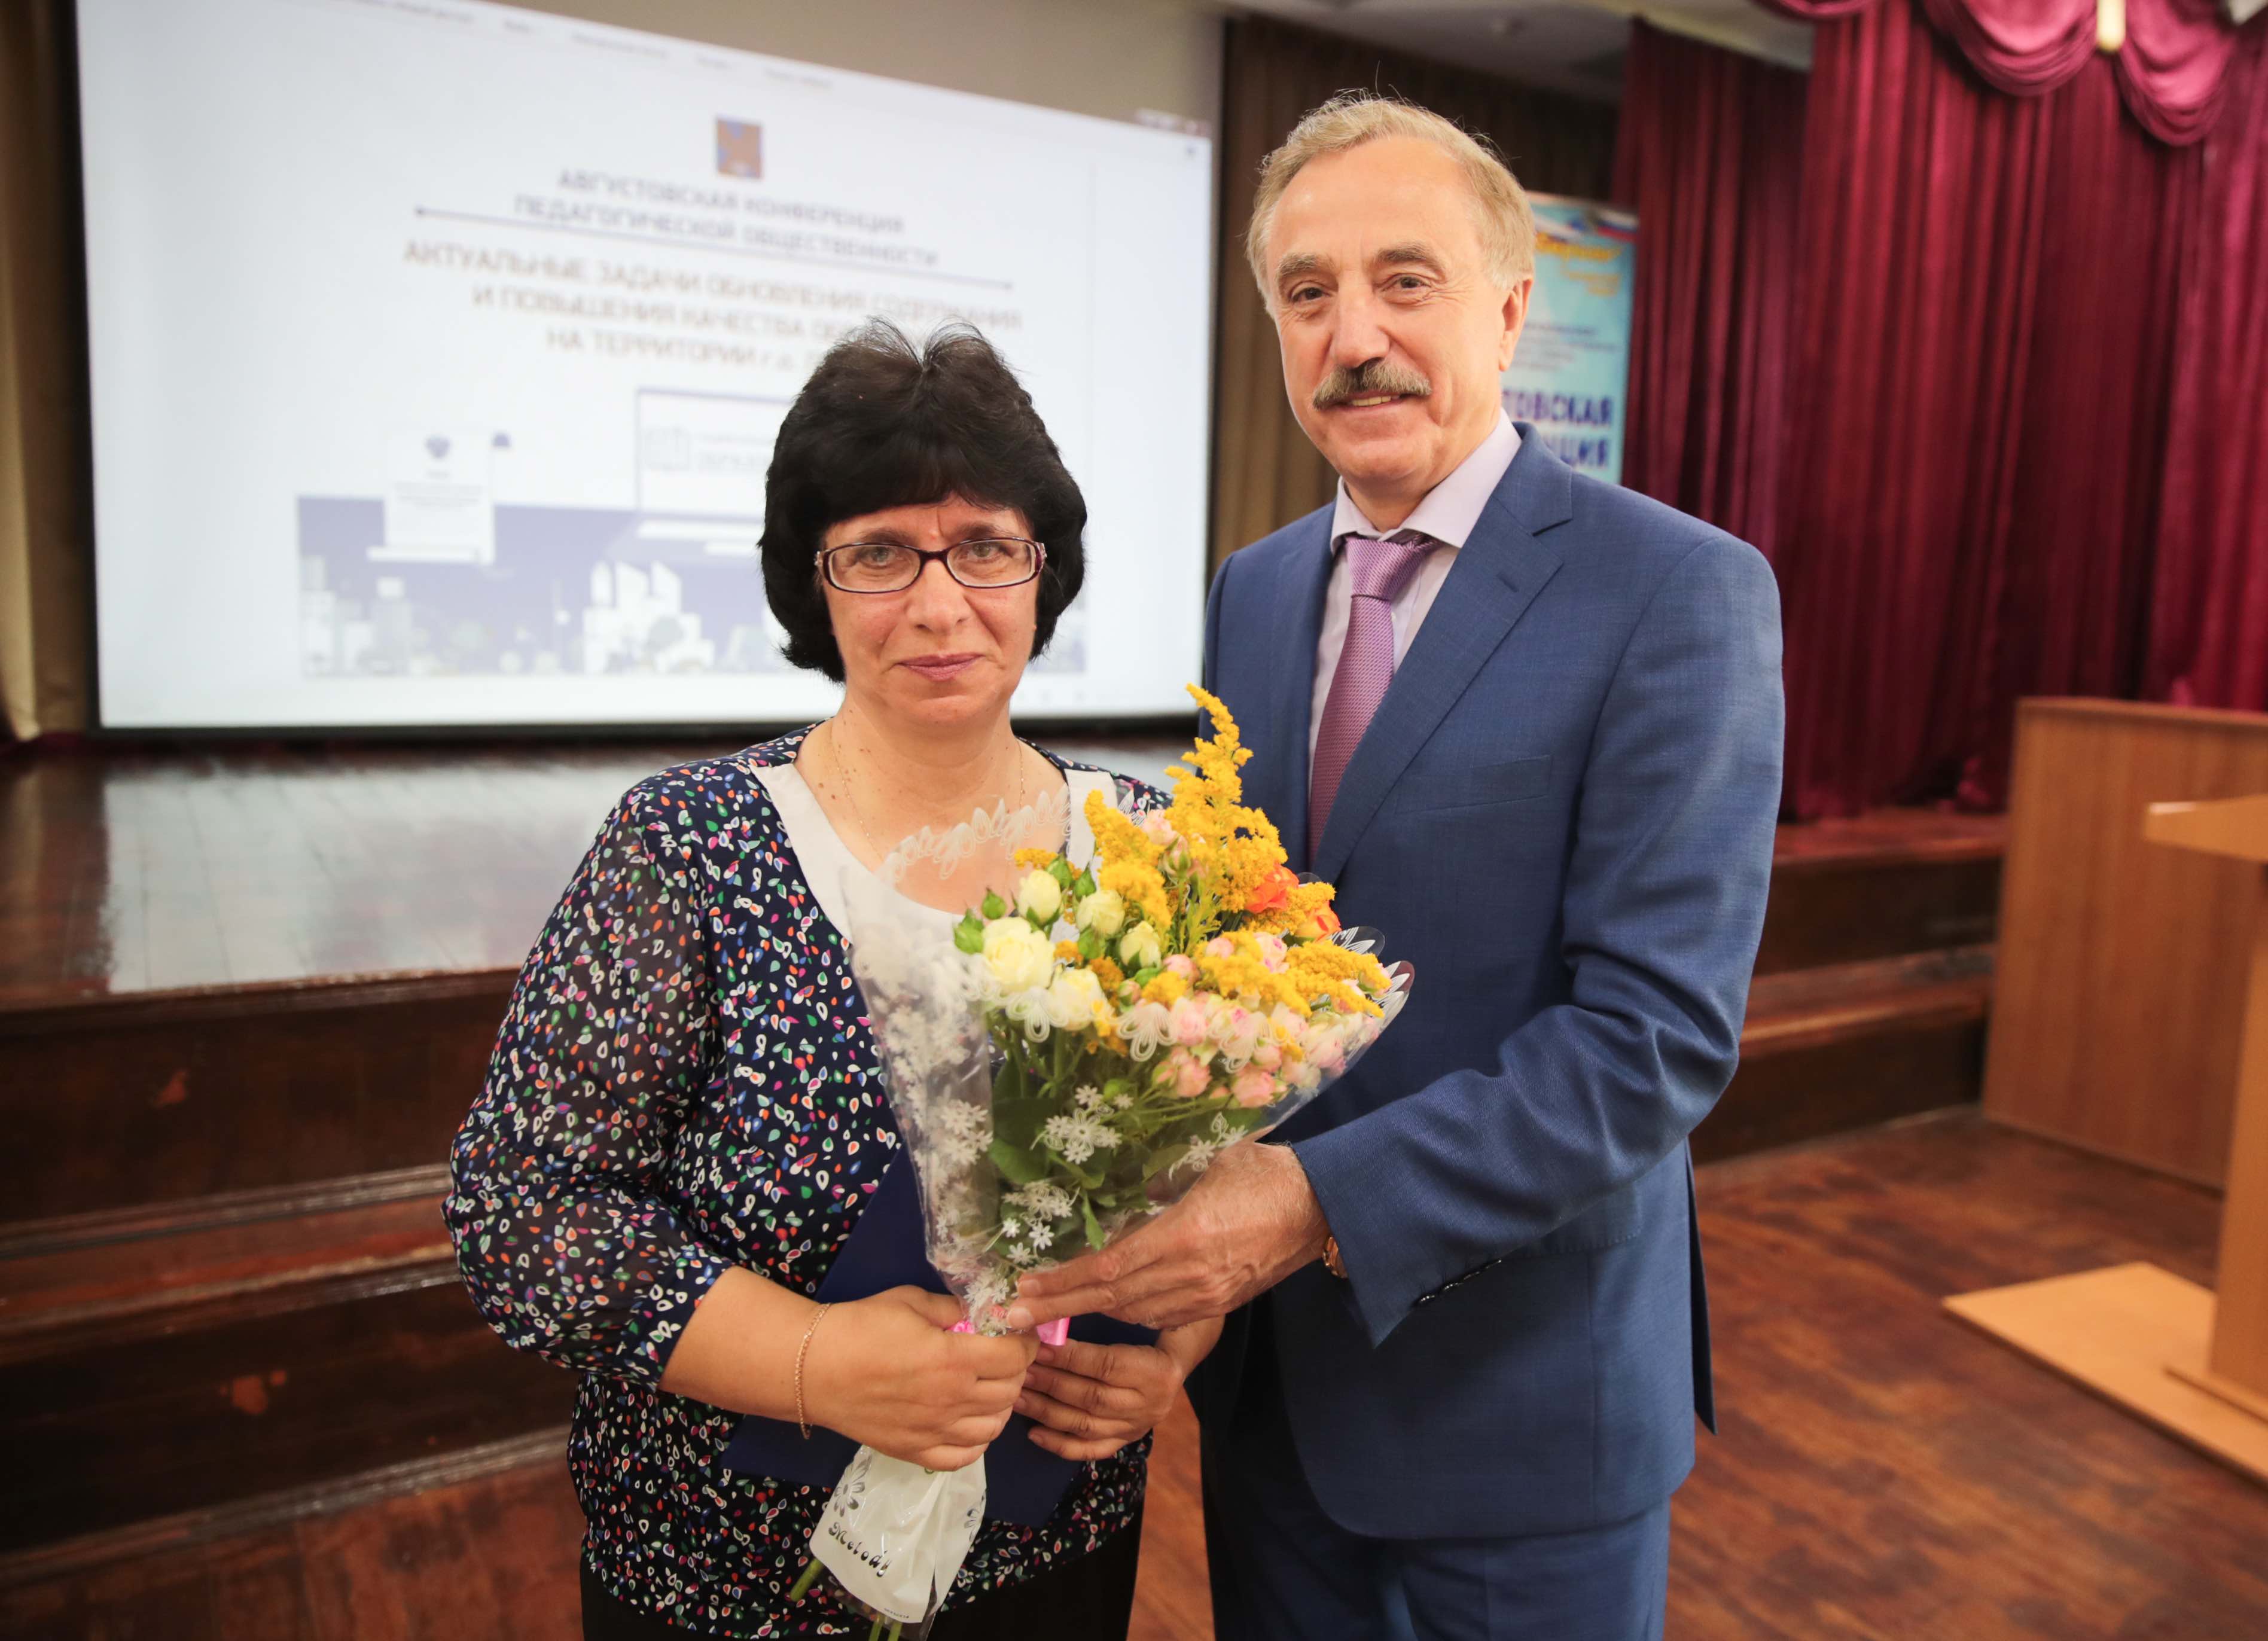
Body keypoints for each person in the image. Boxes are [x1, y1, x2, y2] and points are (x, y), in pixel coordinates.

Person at [1009, 95, 1785, 1639]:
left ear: (1509, 307)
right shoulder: (1256, 587)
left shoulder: (1677, 591)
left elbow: (1653, 1041)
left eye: (1405, 281)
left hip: (1519, 1417)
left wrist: (1307, 1205)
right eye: (1308, 292)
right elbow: (1241, 969)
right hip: (1275, 1406)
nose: (1354, 336)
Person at [446, 321, 1219, 1640]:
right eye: (879, 552)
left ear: (1043, 569)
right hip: (727, 1580)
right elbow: (521, 1208)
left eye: (985, 546)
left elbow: (1210, 1177)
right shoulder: (690, 846)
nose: (940, 602)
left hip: (1056, 1546)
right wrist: (817, 1362)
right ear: (814, 582)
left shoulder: (1150, 849)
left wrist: (1171, 1353)